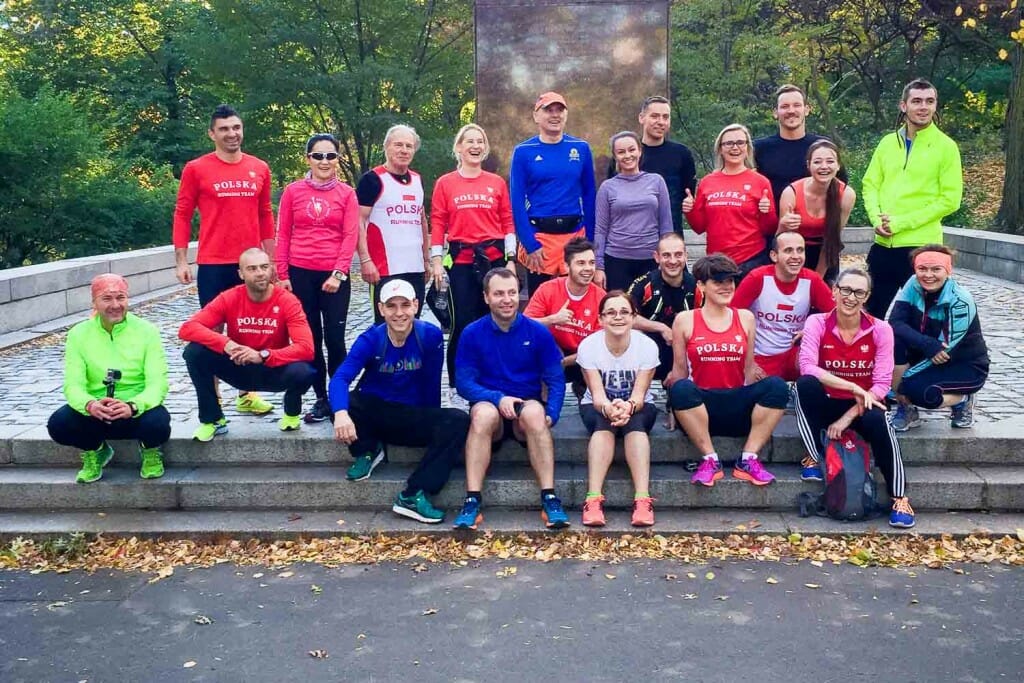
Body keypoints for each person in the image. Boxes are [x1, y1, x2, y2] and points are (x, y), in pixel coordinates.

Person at [329, 280, 470, 524]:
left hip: (411, 414)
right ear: (381, 309)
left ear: (416, 306)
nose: (399, 313)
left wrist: (432, 423)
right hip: (377, 411)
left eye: (405, 305)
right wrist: (341, 413)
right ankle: (366, 451)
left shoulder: (430, 335)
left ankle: (413, 493)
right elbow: (341, 377)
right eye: (391, 306)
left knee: (457, 420)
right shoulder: (371, 339)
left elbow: (432, 380)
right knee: (344, 403)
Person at [172, 104, 277, 416]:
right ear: (212, 134)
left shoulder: (259, 167)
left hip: (252, 264)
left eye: (236, 127)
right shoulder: (196, 168)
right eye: (224, 129)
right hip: (215, 261)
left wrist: (270, 261)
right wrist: (181, 260)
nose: (232, 134)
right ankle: (213, 397)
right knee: (213, 331)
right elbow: (182, 213)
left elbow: (265, 214)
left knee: (252, 328)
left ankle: (247, 393)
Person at [794, 267, 915, 528]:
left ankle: (900, 498)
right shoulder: (817, 323)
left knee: (881, 420)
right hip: (829, 400)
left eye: (859, 292)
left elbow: (882, 384)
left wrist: (849, 415)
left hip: (862, 405)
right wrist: (852, 386)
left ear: (867, 296)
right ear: (835, 292)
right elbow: (808, 367)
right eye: (845, 290)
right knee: (803, 386)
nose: (851, 297)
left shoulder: (881, 329)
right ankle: (813, 455)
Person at [453, 268, 569, 530]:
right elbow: (464, 382)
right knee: (483, 415)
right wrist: (496, 397)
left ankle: (549, 497)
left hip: (524, 407)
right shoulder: (472, 333)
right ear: (486, 297)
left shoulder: (537, 332)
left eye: (512, 293)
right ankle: (472, 499)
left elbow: (555, 377)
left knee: (535, 414)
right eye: (499, 294)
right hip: (489, 404)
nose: (507, 299)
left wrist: (553, 411)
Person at [666, 254, 789, 487]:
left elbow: (749, 369)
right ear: (701, 285)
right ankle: (710, 460)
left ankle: (749, 459)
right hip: (702, 409)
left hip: (737, 405)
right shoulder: (685, 320)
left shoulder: (745, 318)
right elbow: (679, 372)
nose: (726, 287)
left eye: (730, 281)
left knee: (777, 386)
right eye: (718, 282)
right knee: (680, 388)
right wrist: (672, 407)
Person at [179, 248, 316, 439]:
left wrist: (263, 355)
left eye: (264, 267)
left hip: (273, 369)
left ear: (271, 270)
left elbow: (307, 348)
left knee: (305, 370)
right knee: (194, 352)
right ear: (241, 274)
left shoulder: (287, 301)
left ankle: (292, 411)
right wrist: (226, 343)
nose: (260, 272)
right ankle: (213, 419)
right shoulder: (230, 297)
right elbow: (187, 328)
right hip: (238, 366)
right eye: (252, 268)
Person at [47, 274, 170, 483]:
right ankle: (96, 450)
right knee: (59, 424)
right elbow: (73, 384)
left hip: (135, 409)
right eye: (107, 299)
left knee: (158, 423)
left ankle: (150, 451)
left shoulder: (147, 331)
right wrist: (90, 404)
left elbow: (158, 382)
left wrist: (133, 405)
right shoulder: (78, 334)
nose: (115, 305)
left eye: (120, 297)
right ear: (93, 302)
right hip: (96, 411)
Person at [275, 133, 360, 424]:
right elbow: (283, 233)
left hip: (334, 274)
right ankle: (321, 397)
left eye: (330, 156)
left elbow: (350, 235)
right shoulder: (293, 191)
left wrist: (339, 272)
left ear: (338, 160)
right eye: (318, 155)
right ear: (308, 158)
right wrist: (283, 274)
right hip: (300, 273)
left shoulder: (347, 193)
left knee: (335, 339)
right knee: (310, 339)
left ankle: (339, 396)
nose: (325, 161)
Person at [863, 78, 963, 318]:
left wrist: (901, 222)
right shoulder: (888, 143)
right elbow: (870, 184)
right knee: (869, 314)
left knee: (924, 318)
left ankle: (922, 357)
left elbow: (950, 199)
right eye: (917, 101)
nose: (923, 107)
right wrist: (877, 220)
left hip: (923, 247)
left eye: (930, 101)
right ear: (903, 105)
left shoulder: (946, 147)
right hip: (884, 246)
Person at [430, 123, 516, 386]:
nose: (475, 146)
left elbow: (507, 221)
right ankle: (459, 382)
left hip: (494, 260)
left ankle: (495, 376)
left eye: (480, 142)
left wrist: (511, 260)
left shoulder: (496, 182)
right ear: (459, 147)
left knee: (497, 319)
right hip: (462, 263)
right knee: (463, 323)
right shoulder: (445, 183)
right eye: (470, 141)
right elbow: (438, 222)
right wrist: (435, 261)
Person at [577, 291, 660, 527]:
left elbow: (640, 395)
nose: (618, 317)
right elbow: (596, 394)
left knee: (635, 422)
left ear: (634, 317)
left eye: (624, 312)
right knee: (604, 423)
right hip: (598, 405)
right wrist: (609, 408)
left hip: (639, 405)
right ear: (601, 319)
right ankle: (593, 499)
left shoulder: (646, 346)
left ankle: (643, 500)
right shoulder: (589, 346)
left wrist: (628, 407)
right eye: (610, 312)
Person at [888, 245, 989, 431]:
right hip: (928, 352)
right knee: (894, 341)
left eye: (936, 269)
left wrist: (901, 385)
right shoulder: (913, 283)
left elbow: (944, 350)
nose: (928, 275)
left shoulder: (960, 301)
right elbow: (895, 322)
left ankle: (963, 399)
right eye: (922, 269)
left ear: (948, 271)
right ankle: (907, 409)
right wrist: (927, 344)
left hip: (963, 363)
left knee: (919, 392)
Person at [510, 92, 597, 295]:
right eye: (548, 110)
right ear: (536, 116)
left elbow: (590, 195)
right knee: (542, 303)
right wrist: (529, 243)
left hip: (574, 238)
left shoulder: (581, 148)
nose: (555, 115)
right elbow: (516, 201)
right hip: (540, 240)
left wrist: (590, 241)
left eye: (560, 110)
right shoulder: (523, 151)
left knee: (576, 300)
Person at [732, 232, 834, 382]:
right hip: (762, 356)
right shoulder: (757, 278)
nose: (796, 256)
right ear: (774, 256)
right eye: (788, 250)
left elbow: (839, 316)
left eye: (800, 250)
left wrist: (813, 330)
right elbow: (730, 317)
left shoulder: (812, 279)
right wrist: (748, 362)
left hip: (795, 354)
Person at [355, 124, 430, 323]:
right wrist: (365, 260)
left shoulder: (418, 180)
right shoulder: (372, 180)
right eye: (398, 145)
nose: (404, 150)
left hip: (415, 267)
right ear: (386, 146)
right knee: (385, 326)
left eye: (409, 146)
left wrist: (427, 260)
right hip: (384, 269)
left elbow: (421, 220)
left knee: (412, 321)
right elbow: (358, 221)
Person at [682, 124, 776, 280]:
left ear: (747, 148)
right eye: (728, 143)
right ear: (720, 149)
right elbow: (699, 227)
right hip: (717, 263)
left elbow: (769, 228)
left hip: (751, 261)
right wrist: (689, 210)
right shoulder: (707, 182)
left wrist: (766, 211)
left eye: (740, 142)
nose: (735, 148)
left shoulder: (760, 182)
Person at [523, 237, 606, 393]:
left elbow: (600, 346)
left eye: (592, 263)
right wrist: (553, 319)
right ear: (567, 266)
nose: (588, 268)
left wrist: (564, 362)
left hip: (585, 356)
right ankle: (544, 408)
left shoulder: (601, 298)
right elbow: (523, 325)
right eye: (581, 263)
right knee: (537, 349)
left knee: (601, 359)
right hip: (552, 353)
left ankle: (586, 392)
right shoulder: (547, 289)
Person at [606, 96, 697, 237]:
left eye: (665, 117)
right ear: (641, 118)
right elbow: (610, 197)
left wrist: (690, 203)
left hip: (670, 239)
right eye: (654, 116)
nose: (660, 122)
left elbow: (688, 194)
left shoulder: (682, 154)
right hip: (632, 237)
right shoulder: (627, 156)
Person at [594, 131, 673, 291]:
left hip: (651, 260)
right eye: (621, 152)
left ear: (640, 151)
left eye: (631, 150)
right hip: (616, 260)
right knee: (620, 311)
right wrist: (599, 267)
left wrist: (666, 259)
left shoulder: (656, 181)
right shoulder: (607, 187)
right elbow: (600, 230)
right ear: (615, 157)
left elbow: (666, 225)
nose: (627, 155)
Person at [753, 84, 848, 205]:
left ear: (807, 110)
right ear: (775, 112)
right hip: (770, 222)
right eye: (785, 106)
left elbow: (841, 187)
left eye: (797, 105)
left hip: (814, 221)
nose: (791, 111)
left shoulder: (823, 147)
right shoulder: (759, 149)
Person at [776, 139, 856, 282]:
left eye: (830, 161)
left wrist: (817, 278)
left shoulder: (846, 195)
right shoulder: (791, 192)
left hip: (827, 254)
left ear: (838, 165)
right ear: (809, 165)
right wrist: (784, 225)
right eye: (817, 162)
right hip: (794, 252)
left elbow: (832, 239)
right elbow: (780, 240)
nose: (824, 167)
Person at [626, 232, 699, 381]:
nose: (673, 261)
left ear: (686, 255)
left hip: (686, 348)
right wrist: (661, 328)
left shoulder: (697, 286)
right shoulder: (644, 283)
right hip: (650, 344)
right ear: (656, 257)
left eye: (678, 255)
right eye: (666, 255)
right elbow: (625, 317)